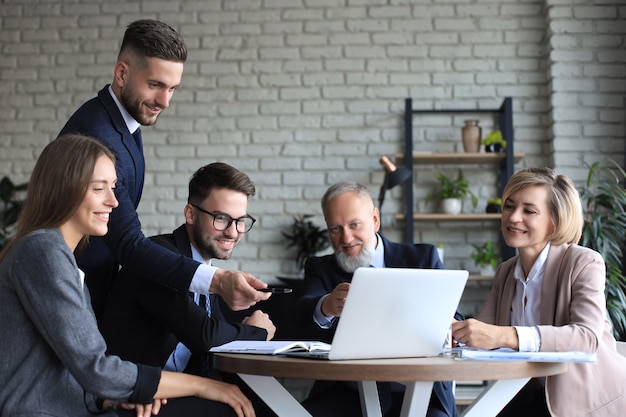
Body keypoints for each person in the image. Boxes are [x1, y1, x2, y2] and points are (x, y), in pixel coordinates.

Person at [0, 134, 255, 417]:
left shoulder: (60, 257)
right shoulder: (43, 252)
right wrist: (202, 387)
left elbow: (69, 369)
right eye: (100, 189)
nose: (114, 202)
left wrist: (110, 401)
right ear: (65, 189)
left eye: (113, 188)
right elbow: (96, 368)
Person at [57, 19, 268, 322]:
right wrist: (216, 280)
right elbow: (127, 243)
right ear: (122, 73)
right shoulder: (98, 135)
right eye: (155, 85)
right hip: (71, 296)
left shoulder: (122, 120)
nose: (164, 101)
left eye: (172, 89)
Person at [451, 167, 626, 417]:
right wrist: (454, 330)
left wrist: (507, 336)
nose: (513, 218)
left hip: (587, 405)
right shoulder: (506, 272)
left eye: (529, 211)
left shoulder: (584, 262)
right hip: (526, 395)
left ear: (555, 221)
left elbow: (586, 338)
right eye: (509, 206)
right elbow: (483, 333)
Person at [296, 181, 460, 417]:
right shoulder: (320, 267)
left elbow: (455, 320)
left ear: (375, 219)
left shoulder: (423, 258)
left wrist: (442, 320)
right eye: (335, 229)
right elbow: (304, 309)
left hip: (420, 391)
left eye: (354, 225)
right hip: (346, 392)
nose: (346, 238)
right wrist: (327, 305)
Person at [99, 162, 276, 377]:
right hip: (133, 397)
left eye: (241, 221)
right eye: (221, 218)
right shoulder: (158, 259)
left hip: (174, 390)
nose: (233, 232)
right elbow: (206, 335)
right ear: (190, 214)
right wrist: (257, 331)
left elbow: (215, 335)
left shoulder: (206, 269)